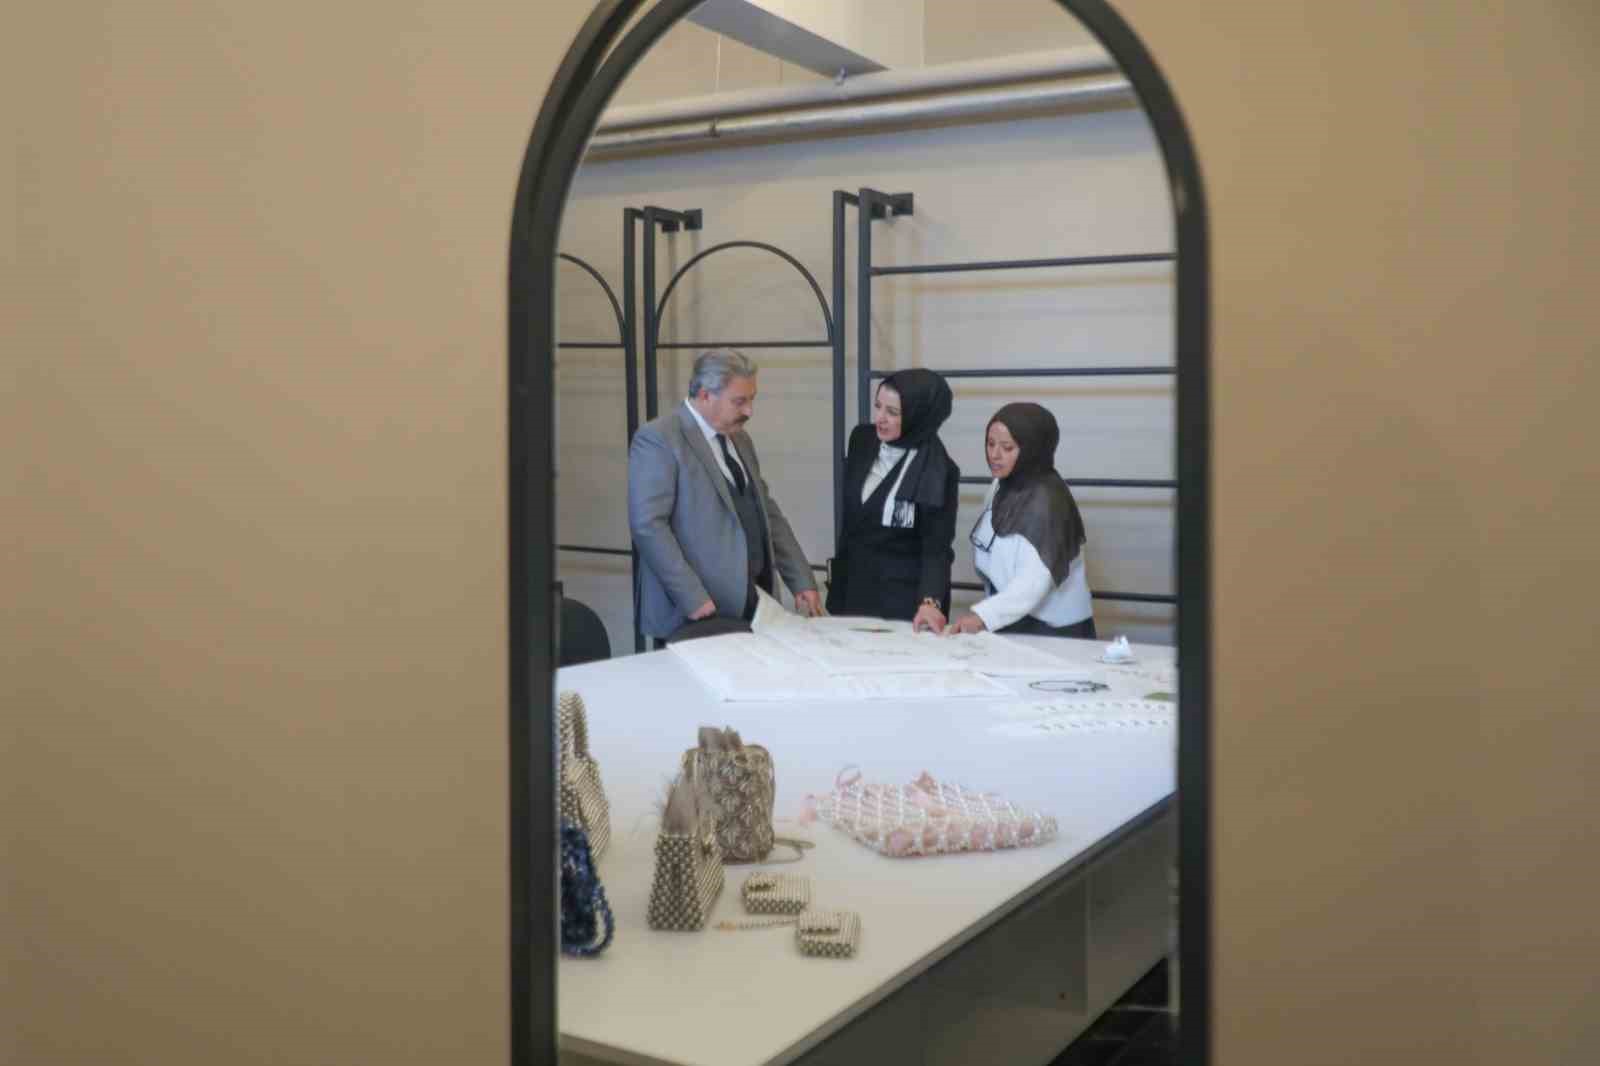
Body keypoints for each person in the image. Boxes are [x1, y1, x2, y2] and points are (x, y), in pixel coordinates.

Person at [628, 349, 821, 643]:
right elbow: (648, 526)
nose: (749, 411)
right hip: (693, 613)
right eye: (739, 401)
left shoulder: (740, 438)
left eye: (752, 399)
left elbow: (766, 512)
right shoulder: (659, 438)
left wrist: (801, 580)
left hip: (753, 607)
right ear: (705, 395)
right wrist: (692, 597)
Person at [946, 402, 1097, 639]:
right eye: (990, 444)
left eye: (1007, 447)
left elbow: (1032, 583)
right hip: (1013, 619)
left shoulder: (1048, 500)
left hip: (1054, 631)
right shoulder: (1001, 486)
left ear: (1032, 450)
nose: (995, 455)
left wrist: (983, 617)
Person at [826, 369, 960, 633]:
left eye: (893, 412)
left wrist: (930, 601)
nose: (880, 419)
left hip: (900, 603)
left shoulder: (938, 469)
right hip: (851, 590)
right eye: (878, 407)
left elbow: (936, 548)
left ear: (918, 415)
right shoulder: (862, 440)